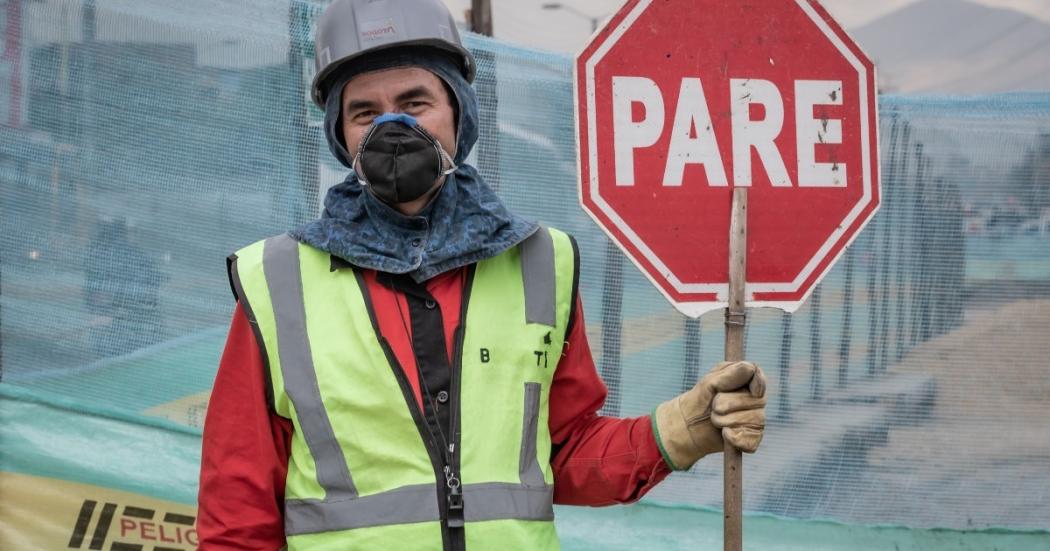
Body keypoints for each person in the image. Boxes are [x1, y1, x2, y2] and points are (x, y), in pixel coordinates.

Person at [197, 0, 767, 548]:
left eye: (414, 102)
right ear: (339, 135)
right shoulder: (277, 282)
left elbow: (561, 453)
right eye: (364, 111)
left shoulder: (542, 261)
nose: (391, 128)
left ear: (460, 111)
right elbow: (235, 513)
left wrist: (675, 433)